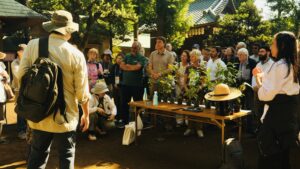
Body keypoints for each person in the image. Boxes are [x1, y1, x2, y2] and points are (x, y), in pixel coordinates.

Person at [17, 10, 90, 169]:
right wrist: (86, 113)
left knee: (37, 156)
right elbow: (81, 93)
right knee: (67, 157)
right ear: (69, 30)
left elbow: (21, 76)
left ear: (51, 27)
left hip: (39, 113)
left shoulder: (32, 45)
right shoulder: (76, 54)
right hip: (65, 116)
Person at [254, 31, 299, 169]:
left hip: (277, 117)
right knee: (284, 154)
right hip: (290, 114)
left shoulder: (280, 66)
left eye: (273, 43)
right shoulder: (293, 64)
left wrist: (258, 79)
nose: (271, 46)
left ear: (282, 45)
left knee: (270, 155)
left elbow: (265, 95)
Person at [120, 41, 147, 125]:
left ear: (139, 48)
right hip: (125, 85)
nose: (133, 49)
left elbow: (137, 67)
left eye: (135, 47)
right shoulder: (127, 56)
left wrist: (127, 66)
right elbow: (121, 65)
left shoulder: (142, 58)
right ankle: (125, 122)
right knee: (124, 104)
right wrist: (131, 67)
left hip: (137, 85)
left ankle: (138, 123)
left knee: (138, 104)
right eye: (132, 47)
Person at [183, 49, 205, 138]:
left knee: (198, 110)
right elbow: (184, 82)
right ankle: (190, 127)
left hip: (199, 92)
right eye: (190, 56)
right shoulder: (188, 68)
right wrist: (187, 90)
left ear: (197, 57)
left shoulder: (202, 68)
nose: (191, 58)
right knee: (190, 109)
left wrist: (199, 88)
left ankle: (199, 129)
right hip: (189, 92)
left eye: (192, 56)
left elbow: (204, 82)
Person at [11, 44, 28, 140]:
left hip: (28, 89)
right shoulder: (15, 63)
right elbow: (19, 75)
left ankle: (27, 129)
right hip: (19, 90)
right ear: (19, 52)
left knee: (28, 108)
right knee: (20, 109)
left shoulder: (27, 61)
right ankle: (21, 130)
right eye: (24, 51)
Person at [0, 52, 10, 144]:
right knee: (0, 119)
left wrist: (5, 77)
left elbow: (8, 78)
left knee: (1, 119)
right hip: (0, 96)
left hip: (1, 96)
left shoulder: (1, 65)